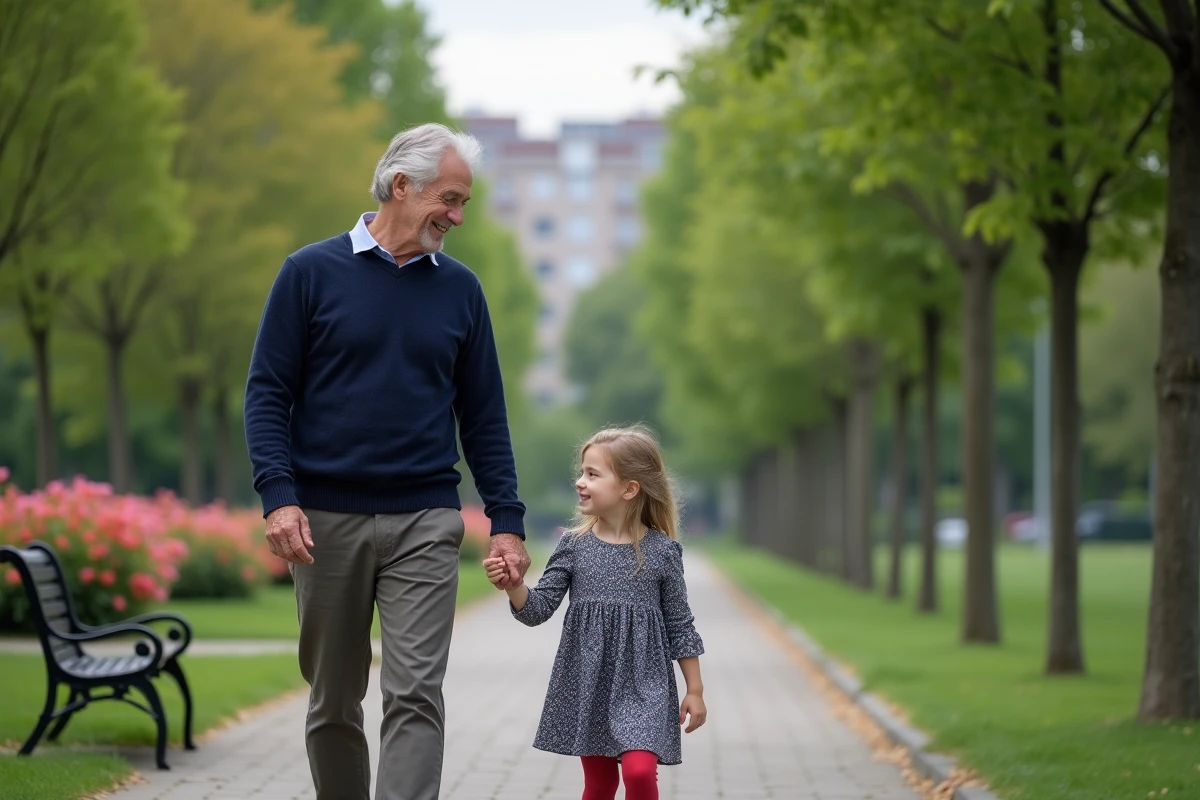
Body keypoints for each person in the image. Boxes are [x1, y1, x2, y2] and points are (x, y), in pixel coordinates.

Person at [244, 122, 531, 800]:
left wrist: (508, 519)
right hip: (323, 521)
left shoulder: (462, 291)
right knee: (334, 698)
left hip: (425, 521)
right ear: (401, 185)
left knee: (414, 695)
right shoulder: (308, 274)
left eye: (464, 203)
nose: (458, 217)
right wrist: (278, 496)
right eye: (450, 200)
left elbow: (484, 416)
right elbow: (267, 395)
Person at [482, 425, 707, 800]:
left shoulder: (662, 552)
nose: (579, 482)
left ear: (629, 489)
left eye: (592, 474)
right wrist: (512, 584)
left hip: (644, 685)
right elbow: (537, 610)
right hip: (589, 684)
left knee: (638, 773)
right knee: (600, 785)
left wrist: (695, 690)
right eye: (581, 472)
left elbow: (680, 625)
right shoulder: (573, 546)